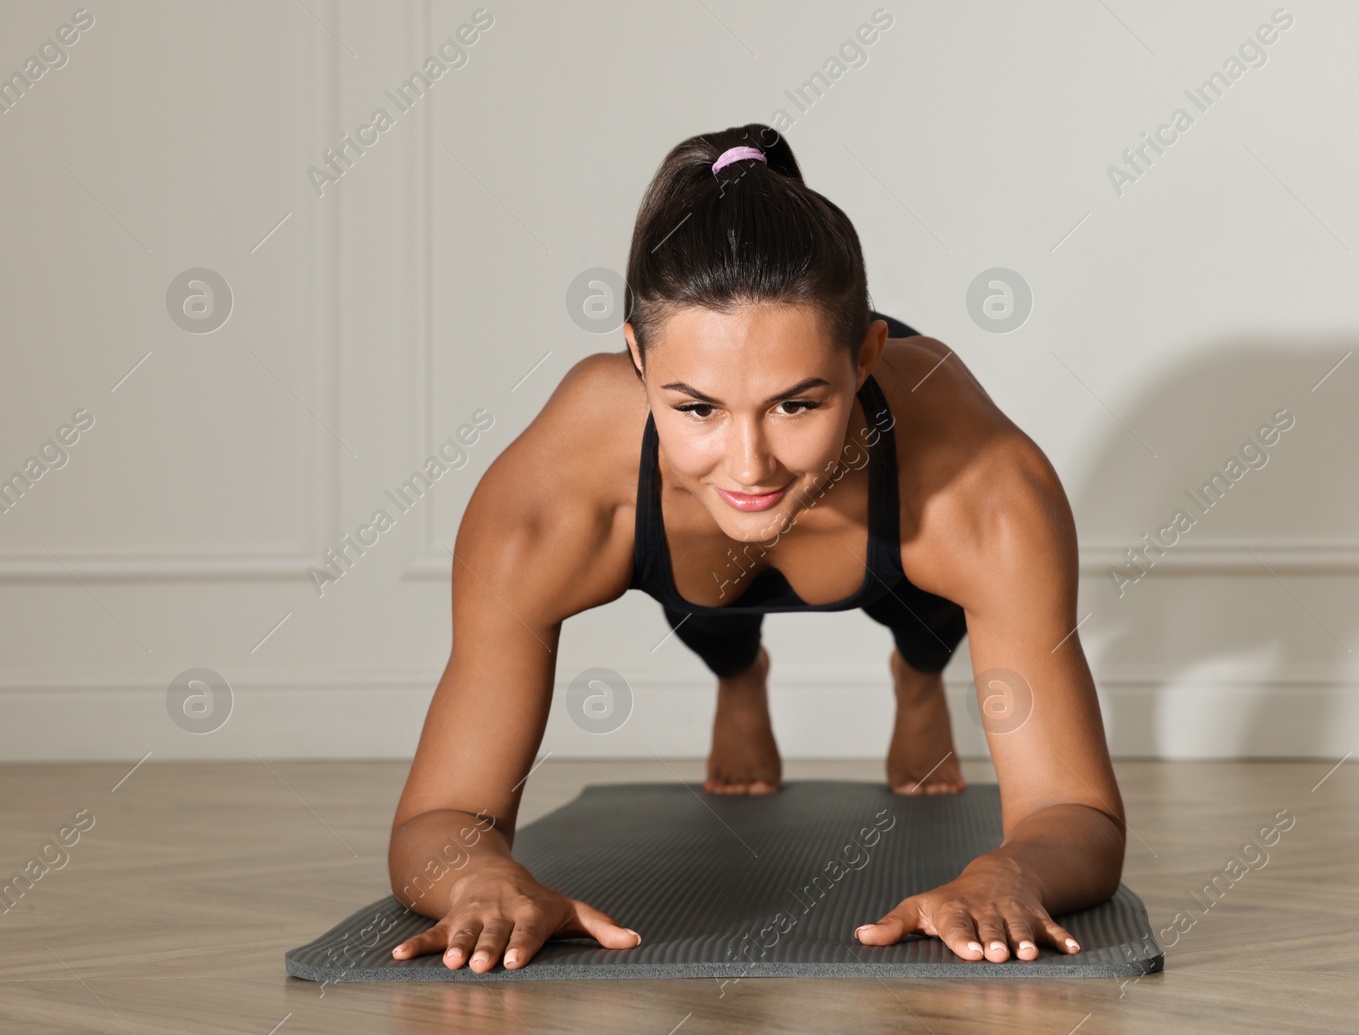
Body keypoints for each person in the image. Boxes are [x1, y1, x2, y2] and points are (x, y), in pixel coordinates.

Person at [387, 124, 1126, 973]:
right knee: (706, 571)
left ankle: (918, 680)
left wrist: (1010, 869)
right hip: (688, 546)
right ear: (635, 360)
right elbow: (439, 814)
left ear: (867, 355)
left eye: (795, 405)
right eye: (697, 407)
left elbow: (1076, 808)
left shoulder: (985, 485)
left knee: (924, 609)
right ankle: (740, 677)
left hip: (891, 501)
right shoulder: (552, 498)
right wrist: (477, 878)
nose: (750, 462)